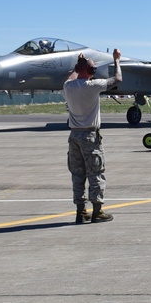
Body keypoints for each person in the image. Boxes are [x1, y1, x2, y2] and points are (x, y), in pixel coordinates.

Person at [63, 49, 122, 223]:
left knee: (77, 174)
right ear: (91, 72)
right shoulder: (93, 86)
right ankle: (97, 211)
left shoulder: (68, 86)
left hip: (74, 136)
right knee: (95, 173)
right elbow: (117, 79)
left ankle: (81, 212)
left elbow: (70, 77)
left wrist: (79, 64)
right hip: (90, 136)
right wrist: (116, 60)